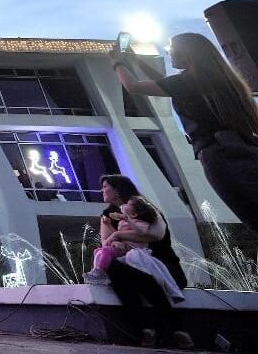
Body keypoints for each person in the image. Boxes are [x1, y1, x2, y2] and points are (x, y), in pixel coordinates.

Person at [113, 32, 258, 231]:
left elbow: (133, 87)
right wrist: (136, 61)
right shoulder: (224, 82)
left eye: (171, 49)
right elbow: (166, 83)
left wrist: (117, 63)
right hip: (247, 150)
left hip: (220, 155)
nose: (168, 53)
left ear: (187, 54)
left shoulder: (186, 83)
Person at [95, 175, 193, 348]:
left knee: (131, 276)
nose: (101, 190)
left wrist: (118, 235)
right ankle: (175, 330)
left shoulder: (144, 208)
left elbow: (154, 236)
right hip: (129, 267)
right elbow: (105, 242)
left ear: (117, 189)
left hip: (163, 266)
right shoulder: (107, 215)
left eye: (105, 186)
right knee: (115, 268)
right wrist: (114, 240)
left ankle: (148, 330)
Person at [85, 196, 184, 302]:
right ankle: (103, 277)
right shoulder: (123, 222)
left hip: (132, 249)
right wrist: (108, 225)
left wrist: (128, 220)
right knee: (98, 251)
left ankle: (99, 272)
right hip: (123, 249)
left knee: (105, 251)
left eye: (128, 204)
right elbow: (116, 234)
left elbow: (142, 232)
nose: (124, 205)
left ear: (134, 214)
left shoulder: (139, 222)